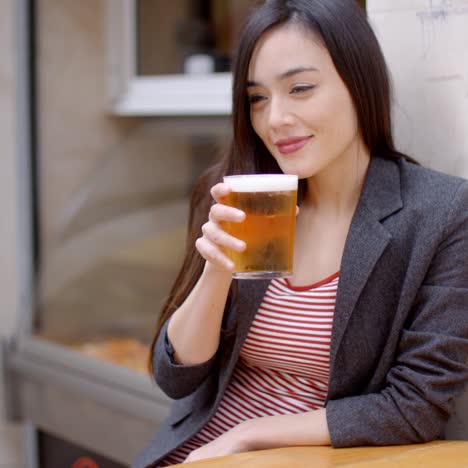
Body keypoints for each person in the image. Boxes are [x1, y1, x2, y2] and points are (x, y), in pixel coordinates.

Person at [134, 1, 468, 466]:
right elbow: (176, 378)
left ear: (359, 83)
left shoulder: (440, 213)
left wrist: (250, 435)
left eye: (301, 88)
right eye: (257, 98)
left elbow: (414, 407)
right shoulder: (243, 193)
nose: (275, 120)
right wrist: (215, 273)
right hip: (196, 453)